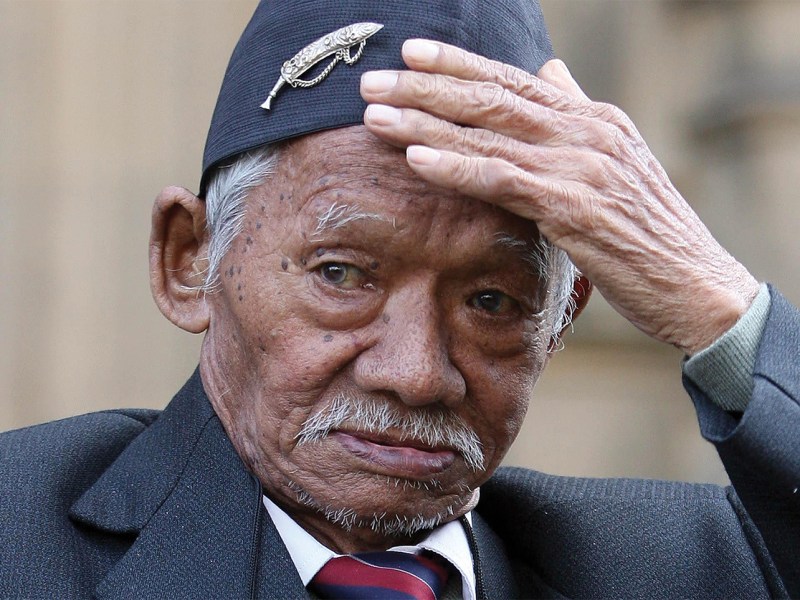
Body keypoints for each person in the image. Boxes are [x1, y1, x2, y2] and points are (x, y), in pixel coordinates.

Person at [1, 1, 797, 598]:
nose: (417, 375)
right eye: (343, 275)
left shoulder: (703, 565)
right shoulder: (18, 535)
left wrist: (719, 307)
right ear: (188, 260)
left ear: (561, 322)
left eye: (491, 300)